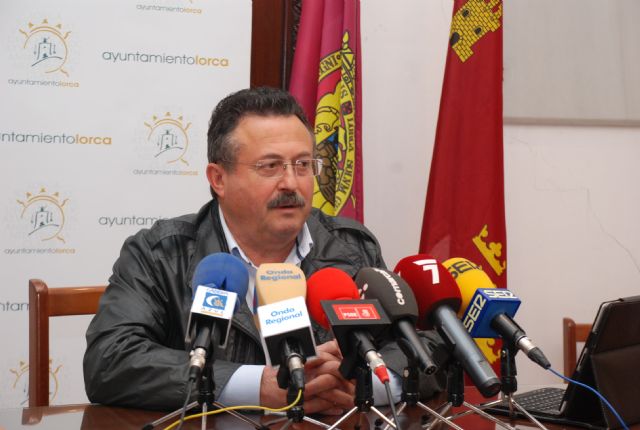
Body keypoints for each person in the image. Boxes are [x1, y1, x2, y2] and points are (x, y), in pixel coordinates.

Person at [83, 87, 445, 413]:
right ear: (218, 179)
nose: (291, 183)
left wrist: (365, 384)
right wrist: (255, 386)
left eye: (303, 165)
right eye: (270, 166)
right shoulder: (162, 253)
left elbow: (421, 345)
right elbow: (110, 361)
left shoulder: (351, 247)